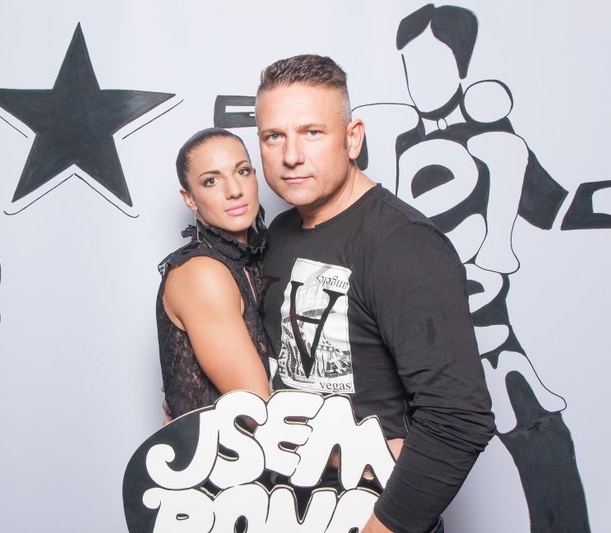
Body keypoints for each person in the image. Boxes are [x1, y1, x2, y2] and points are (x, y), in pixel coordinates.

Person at [255, 54, 496, 533]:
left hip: (371, 517)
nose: (291, 155)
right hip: (287, 509)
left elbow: (458, 417)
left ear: (353, 138)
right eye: (273, 136)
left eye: (312, 132)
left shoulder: (402, 243)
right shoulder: (277, 235)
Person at [157, 128, 270, 420]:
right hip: (231, 449)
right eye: (211, 180)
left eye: (242, 171)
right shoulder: (201, 274)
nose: (234, 190)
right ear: (190, 199)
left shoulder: (255, 259)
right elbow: (258, 414)